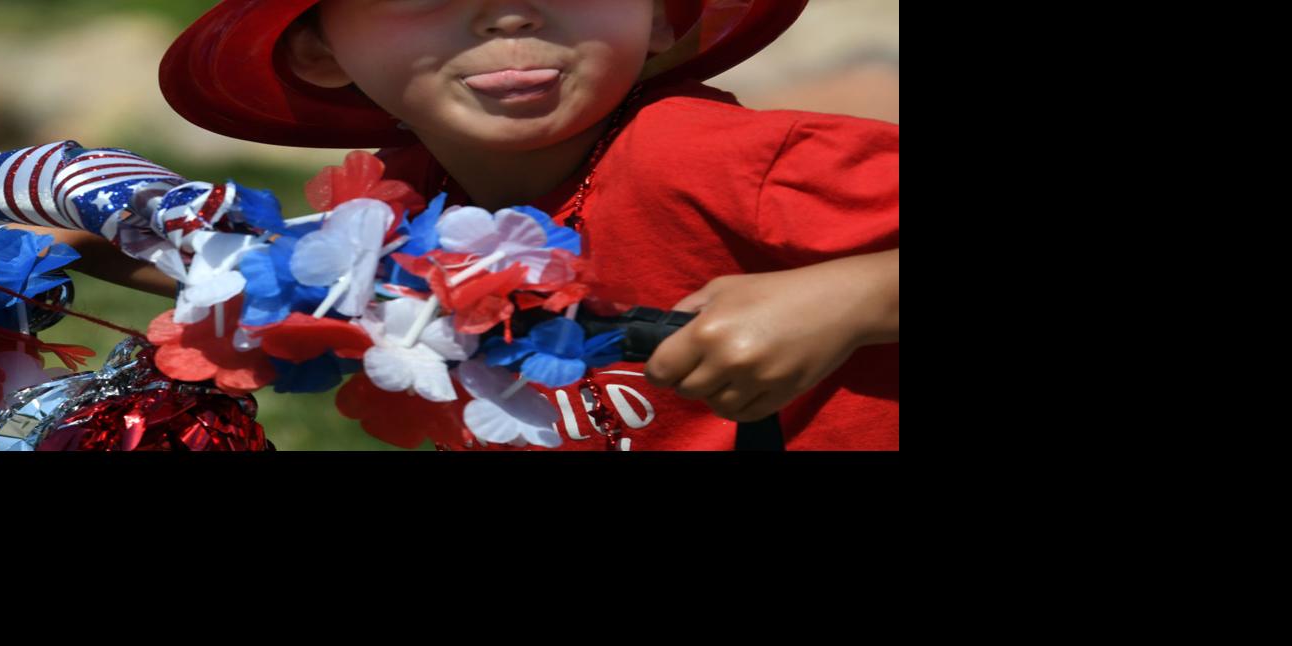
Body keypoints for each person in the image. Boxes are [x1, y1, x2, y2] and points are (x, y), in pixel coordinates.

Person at [78, 0, 900, 450]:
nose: (508, 14)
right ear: (320, 50)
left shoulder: (715, 161)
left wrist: (854, 297)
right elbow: (301, 281)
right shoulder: (406, 196)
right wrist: (85, 239)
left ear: (660, 16)